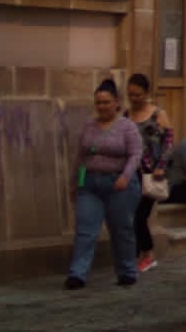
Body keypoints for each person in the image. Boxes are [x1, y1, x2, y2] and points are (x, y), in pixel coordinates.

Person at [66, 78, 142, 289]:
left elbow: (135, 155)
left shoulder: (127, 127)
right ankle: (77, 274)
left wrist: (125, 176)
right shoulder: (89, 126)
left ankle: (127, 271)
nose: (102, 106)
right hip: (90, 184)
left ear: (116, 102)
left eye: (106, 102)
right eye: (98, 102)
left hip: (118, 184)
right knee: (85, 229)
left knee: (121, 229)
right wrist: (73, 181)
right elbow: (80, 156)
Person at [125, 74, 173, 275]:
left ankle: (148, 254)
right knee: (130, 215)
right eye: (130, 94)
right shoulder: (126, 115)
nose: (134, 98)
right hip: (131, 172)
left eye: (137, 94)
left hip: (151, 173)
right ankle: (135, 254)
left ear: (146, 93)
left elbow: (168, 142)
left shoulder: (158, 114)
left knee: (140, 214)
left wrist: (161, 166)